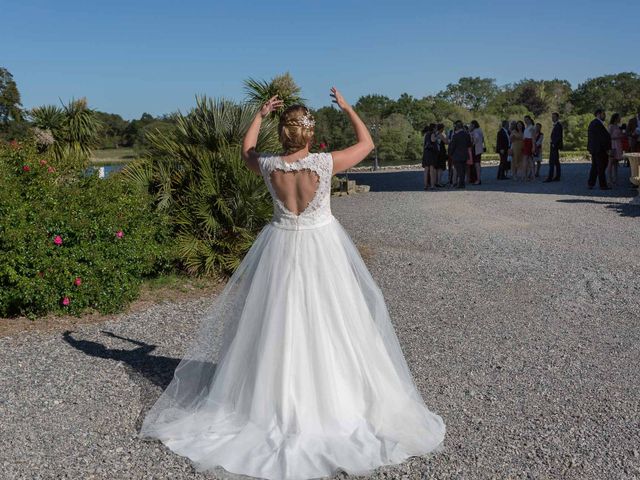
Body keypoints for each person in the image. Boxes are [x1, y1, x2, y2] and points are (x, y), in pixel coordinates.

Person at [139, 89, 446, 480]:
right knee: (335, 321)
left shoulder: (268, 166)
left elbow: (246, 148)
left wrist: (259, 114)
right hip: (323, 246)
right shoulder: (325, 162)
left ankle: (270, 400)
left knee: (277, 321)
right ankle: (335, 400)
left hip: (281, 245)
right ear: (309, 135)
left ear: (282, 135)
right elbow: (367, 143)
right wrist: (349, 108)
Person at [587, 108, 612, 190]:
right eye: (603, 114)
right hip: (600, 150)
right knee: (601, 166)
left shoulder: (594, 123)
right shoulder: (597, 124)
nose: (604, 115)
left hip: (595, 149)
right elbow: (602, 138)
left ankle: (591, 183)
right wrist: (608, 148)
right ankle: (603, 185)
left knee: (595, 166)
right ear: (598, 114)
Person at [448, 120, 473, 188]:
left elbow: (452, 146)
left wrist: (450, 154)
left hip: (457, 155)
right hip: (465, 154)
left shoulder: (455, 136)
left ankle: (461, 184)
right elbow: (469, 145)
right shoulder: (467, 135)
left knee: (459, 170)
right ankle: (462, 184)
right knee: (463, 170)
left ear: (457, 127)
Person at [544, 112, 563, 182]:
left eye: (554, 117)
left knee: (552, 162)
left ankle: (550, 177)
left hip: (554, 146)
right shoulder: (557, 125)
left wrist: (554, 144)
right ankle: (557, 176)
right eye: (552, 117)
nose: (553, 118)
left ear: (557, 117)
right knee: (556, 161)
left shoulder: (558, 125)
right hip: (554, 145)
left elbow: (558, 136)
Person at [608, 113, 624, 186]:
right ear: (615, 118)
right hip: (613, 145)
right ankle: (609, 179)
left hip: (618, 145)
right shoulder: (611, 126)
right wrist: (618, 137)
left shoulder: (618, 126)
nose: (620, 119)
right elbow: (608, 137)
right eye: (619, 117)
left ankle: (615, 179)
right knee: (611, 163)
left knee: (616, 163)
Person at [422, 123, 439, 190]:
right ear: (433, 128)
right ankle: (432, 185)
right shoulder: (432, 134)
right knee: (431, 170)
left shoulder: (426, 134)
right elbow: (433, 140)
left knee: (426, 170)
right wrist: (437, 136)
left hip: (426, 153)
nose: (436, 129)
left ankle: (425, 185)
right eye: (436, 128)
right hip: (431, 153)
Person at [469, 120, 484, 185]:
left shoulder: (475, 131)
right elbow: (482, 139)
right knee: (478, 164)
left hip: (476, 149)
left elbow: (476, 138)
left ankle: (478, 179)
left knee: (476, 164)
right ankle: (478, 178)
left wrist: (473, 143)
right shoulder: (480, 130)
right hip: (479, 149)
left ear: (473, 125)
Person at [435, 123, 449, 187]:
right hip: (441, 152)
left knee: (437, 168)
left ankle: (436, 181)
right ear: (441, 128)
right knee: (440, 168)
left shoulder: (435, 134)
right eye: (443, 128)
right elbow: (446, 142)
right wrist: (447, 135)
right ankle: (439, 182)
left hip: (436, 153)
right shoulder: (441, 134)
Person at [522, 115, 536, 181]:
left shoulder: (532, 128)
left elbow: (533, 138)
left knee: (526, 159)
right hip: (526, 142)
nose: (525, 121)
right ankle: (532, 176)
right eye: (525, 120)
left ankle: (525, 176)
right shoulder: (526, 127)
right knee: (530, 160)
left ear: (530, 120)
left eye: (527, 119)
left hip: (529, 142)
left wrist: (533, 146)